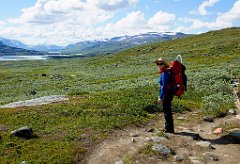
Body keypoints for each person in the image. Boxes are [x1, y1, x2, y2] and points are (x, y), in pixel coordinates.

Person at [154, 58, 174, 133]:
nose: (159, 65)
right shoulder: (165, 72)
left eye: (160, 64)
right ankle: (168, 127)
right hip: (168, 93)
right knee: (167, 110)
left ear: (164, 64)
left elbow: (164, 86)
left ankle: (169, 129)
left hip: (166, 93)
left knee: (167, 111)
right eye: (157, 64)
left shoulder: (165, 73)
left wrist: (161, 96)